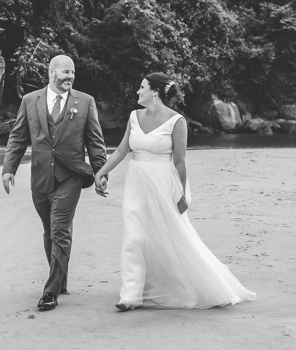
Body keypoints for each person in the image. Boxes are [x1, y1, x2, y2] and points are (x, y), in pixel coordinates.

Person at [93, 72, 256, 310]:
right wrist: (101, 172)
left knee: (173, 237)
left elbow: (179, 161)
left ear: (155, 93)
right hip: (136, 184)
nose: (138, 92)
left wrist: (181, 195)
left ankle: (197, 285)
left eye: (142, 87)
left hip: (163, 185)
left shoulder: (177, 121)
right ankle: (129, 295)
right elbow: (120, 151)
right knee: (134, 237)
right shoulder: (134, 117)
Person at [2, 55, 107, 311]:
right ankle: (61, 279)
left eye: (72, 73)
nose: (69, 77)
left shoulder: (85, 102)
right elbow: (18, 137)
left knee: (59, 230)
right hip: (40, 177)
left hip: (71, 176)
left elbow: (95, 141)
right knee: (50, 231)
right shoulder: (30, 101)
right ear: (51, 73)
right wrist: (8, 169)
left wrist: (101, 173)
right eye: (65, 73)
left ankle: (50, 292)